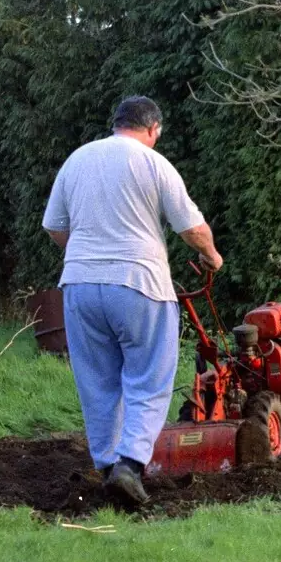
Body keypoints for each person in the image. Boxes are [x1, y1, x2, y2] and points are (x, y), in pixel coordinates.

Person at [42, 96, 224, 505]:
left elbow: (53, 226)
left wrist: (89, 253)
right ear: (153, 129)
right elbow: (191, 228)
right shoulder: (153, 163)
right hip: (139, 284)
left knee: (96, 380)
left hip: (80, 286)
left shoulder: (78, 159)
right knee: (149, 375)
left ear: (116, 123)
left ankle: (106, 466)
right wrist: (212, 256)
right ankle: (129, 466)